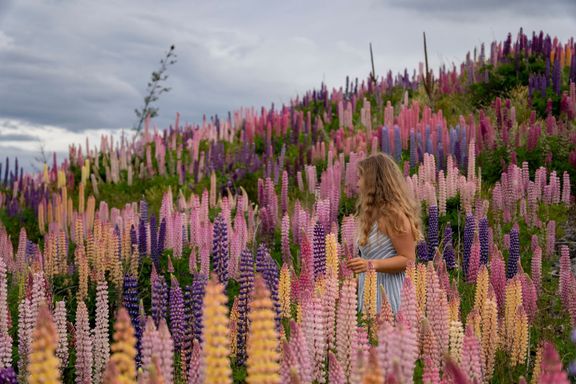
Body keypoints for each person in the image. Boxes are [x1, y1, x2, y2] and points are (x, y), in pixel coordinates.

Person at [346, 152, 422, 314]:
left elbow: (408, 259)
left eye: (360, 177)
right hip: (369, 293)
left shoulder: (394, 215)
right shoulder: (371, 215)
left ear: (374, 181)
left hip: (390, 294)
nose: (357, 183)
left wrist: (370, 265)